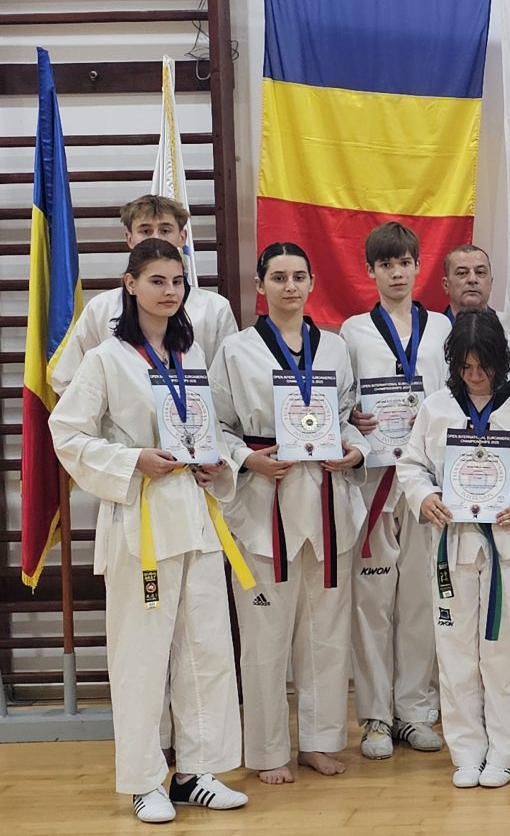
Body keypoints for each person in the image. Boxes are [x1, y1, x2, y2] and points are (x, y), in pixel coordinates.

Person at [50, 238, 248, 823]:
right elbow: (67, 433)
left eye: (177, 281)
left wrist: (218, 464)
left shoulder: (192, 355)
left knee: (205, 648)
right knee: (141, 654)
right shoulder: (106, 359)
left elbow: (210, 431)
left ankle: (196, 772)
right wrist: (132, 459)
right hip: (141, 520)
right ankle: (143, 780)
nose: (169, 291)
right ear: (130, 284)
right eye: (157, 280)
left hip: (197, 516)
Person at [210, 242, 368, 785]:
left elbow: (346, 417)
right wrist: (247, 458)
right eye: (278, 277)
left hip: (326, 497)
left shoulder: (336, 348)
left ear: (312, 282)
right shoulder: (236, 350)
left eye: (299, 276)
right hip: (263, 502)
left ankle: (320, 741)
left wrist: (354, 451)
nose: (290, 286)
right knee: (264, 635)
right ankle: (267, 748)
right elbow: (217, 426)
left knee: (327, 632)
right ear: (261, 286)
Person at [396, 310, 510, 788]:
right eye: (465, 367)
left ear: (500, 361)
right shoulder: (437, 407)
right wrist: (424, 497)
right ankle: (466, 751)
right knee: (455, 652)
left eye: (483, 366)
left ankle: (504, 752)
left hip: (509, 543)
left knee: (507, 651)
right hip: (454, 542)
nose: (474, 376)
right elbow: (412, 464)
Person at [340, 222, 451, 760]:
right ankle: (376, 718)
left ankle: (415, 710)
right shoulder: (352, 331)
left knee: (420, 600)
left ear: (418, 266)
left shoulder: (441, 328)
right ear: (371, 271)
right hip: (374, 480)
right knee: (372, 602)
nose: (397, 272)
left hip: (424, 480)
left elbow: (453, 397)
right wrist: (351, 418)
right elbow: (338, 399)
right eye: (386, 264)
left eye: (404, 262)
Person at [51, 194, 237, 396]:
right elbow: (68, 379)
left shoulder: (215, 309)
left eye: (165, 230)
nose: (156, 238)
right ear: (130, 239)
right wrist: (113, 410)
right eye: (146, 231)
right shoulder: (101, 308)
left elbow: (229, 384)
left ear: (182, 237)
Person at [441, 243, 510, 353]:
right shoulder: (430, 331)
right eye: (462, 273)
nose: (472, 279)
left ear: (491, 282)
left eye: (480, 272)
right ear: (446, 284)